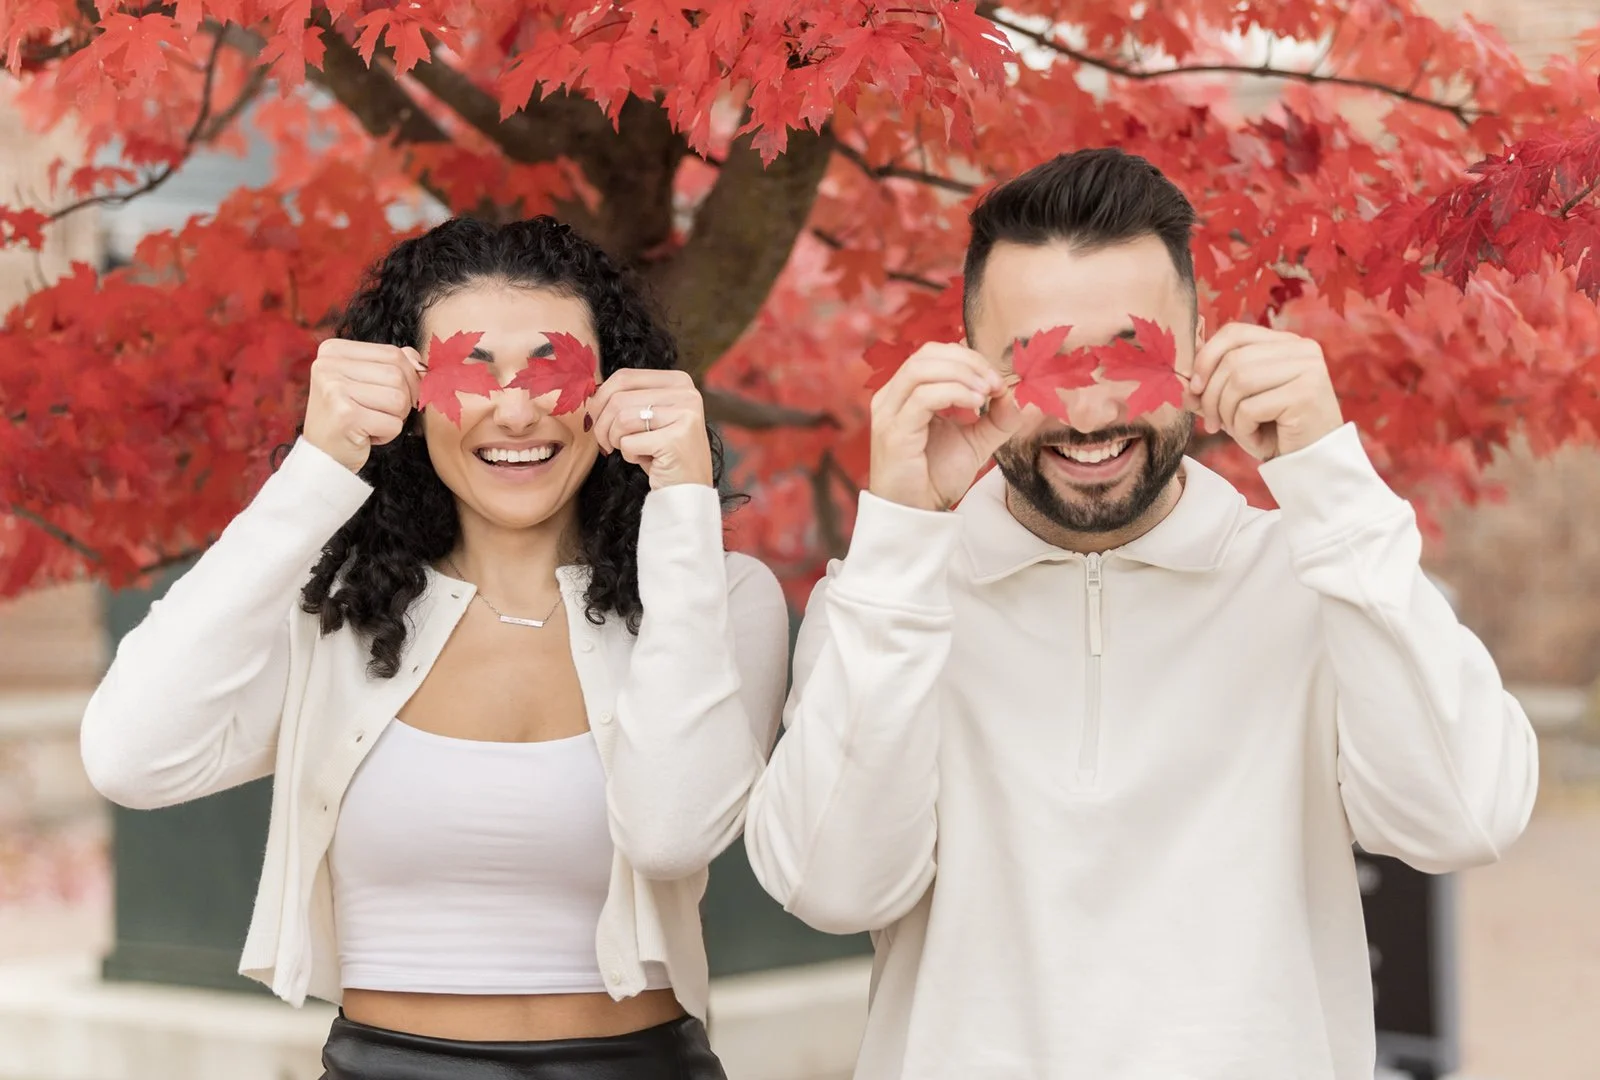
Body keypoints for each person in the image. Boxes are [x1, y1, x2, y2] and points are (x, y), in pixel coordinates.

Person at [743, 148, 1537, 1079]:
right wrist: (900, 542)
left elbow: (1467, 819)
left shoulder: (1315, 575)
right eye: (1041, 362)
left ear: (1198, 353)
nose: (1090, 409)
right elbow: (832, 886)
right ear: (973, 372)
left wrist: (1332, 484)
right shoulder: (885, 595)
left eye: (1133, 353)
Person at [79, 216, 790, 1080]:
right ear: (411, 399)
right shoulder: (335, 614)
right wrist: (317, 465)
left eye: (551, 369)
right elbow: (130, 757)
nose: (516, 409)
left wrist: (680, 496)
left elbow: (673, 835)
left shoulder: (720, 596)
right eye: (470, 372)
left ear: (613, 388)